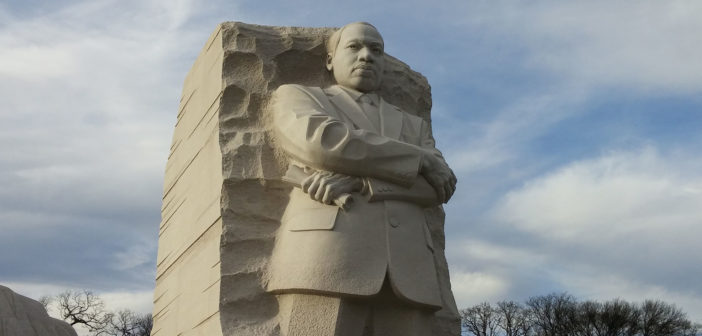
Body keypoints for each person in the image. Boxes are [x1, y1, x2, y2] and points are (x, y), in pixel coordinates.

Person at [265, 22, 456, 336]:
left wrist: (359, 182)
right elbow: (323, 143)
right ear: (330, 60)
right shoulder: (299, 97)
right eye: (354, 47)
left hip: (410, 270)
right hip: (327, 256)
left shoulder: (412, 124)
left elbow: (437, 188)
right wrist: (418, 159)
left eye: (376, 50)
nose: (366, 56)